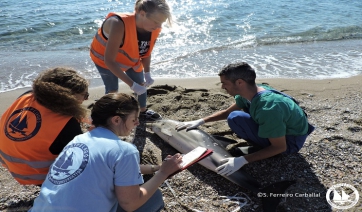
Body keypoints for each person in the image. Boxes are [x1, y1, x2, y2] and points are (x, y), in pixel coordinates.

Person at [30, 93, 183, 212]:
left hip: (40, 208)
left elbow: (104, 166)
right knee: (154, 197)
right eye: (134, 119)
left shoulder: (78, 140)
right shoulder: (125, 150)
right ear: (116, 120)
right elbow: (130, 204)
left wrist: (156, 168)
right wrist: (162, 174)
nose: (137, 123)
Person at [176, 62, 315, 176]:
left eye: (225, 83)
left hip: (290, 143)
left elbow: (280, 146)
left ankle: (264, 150)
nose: (222, 87)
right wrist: (201, 121)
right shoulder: (250, 92)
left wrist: (242, 161)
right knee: (234, 117)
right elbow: (227, 112)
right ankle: (263, 143)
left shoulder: (269, 107)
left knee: (237, 118)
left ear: (240, 82)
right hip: (282, 128)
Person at [0, 67, 89, 185]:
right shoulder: (68, 124)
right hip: (39, 177)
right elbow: (81, 157)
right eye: (85, 95)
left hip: (10, 164)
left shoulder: (26, 96)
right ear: (68, 96)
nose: (85, 99)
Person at [90, 0, 172, 120]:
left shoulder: (153, 27)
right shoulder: (118, 23)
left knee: (141, 85)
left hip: (130, 60)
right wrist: (132, 85)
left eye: (162, 23)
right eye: (156, 22)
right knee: (112, 90)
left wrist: (147, 73)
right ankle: (108, 115)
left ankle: (143, 112)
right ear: (142, 13)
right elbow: (109, 61)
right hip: (104, 60)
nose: (159, 26)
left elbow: (146, 52)